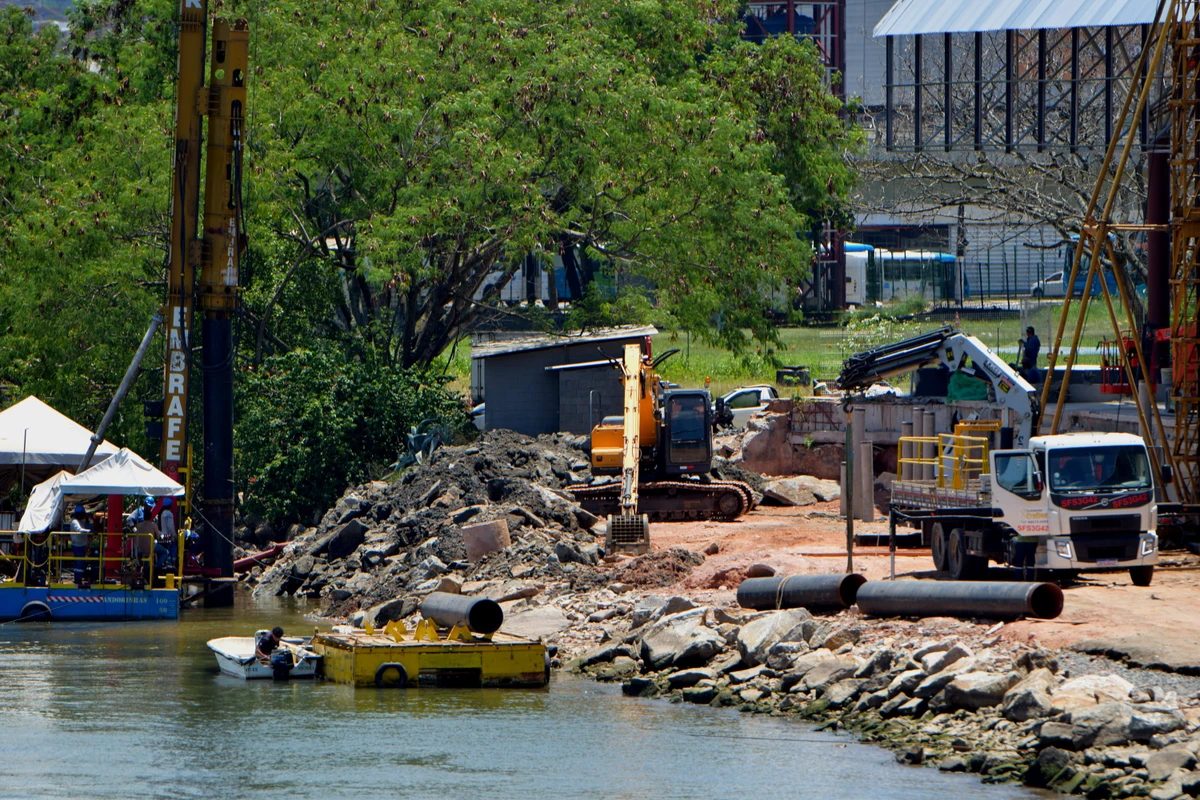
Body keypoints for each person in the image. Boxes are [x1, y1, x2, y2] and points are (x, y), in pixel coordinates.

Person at [69, 505, 93, 586]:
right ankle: (78, 580)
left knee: (80, 563)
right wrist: (90, 531)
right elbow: (80, 530)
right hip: (77, 546)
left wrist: (89, 519)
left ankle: (78, 579)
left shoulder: (83, 522)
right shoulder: (74, 522)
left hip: (83, 545)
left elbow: (88, 526)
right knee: (79, 564)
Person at [158, 497, 177, 569]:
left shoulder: (162, 513)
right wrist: (175, 535)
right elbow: (170, 527)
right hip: (170, 537)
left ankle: (166, 564)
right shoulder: (169, 514)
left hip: (164, 535)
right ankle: (172, 565)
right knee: (172, 551)